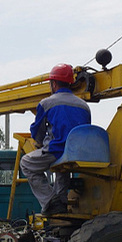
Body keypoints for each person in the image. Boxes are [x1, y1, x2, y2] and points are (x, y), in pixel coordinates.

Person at [20, 63, 91, 214]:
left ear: (53, 83)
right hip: (79, 152)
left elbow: (37, 132)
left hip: (57, 150)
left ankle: (51, 201)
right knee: (62, 166)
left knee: (26, 163)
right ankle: (62, 201)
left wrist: (39, 143)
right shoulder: (84, 105)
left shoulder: (46, 103)